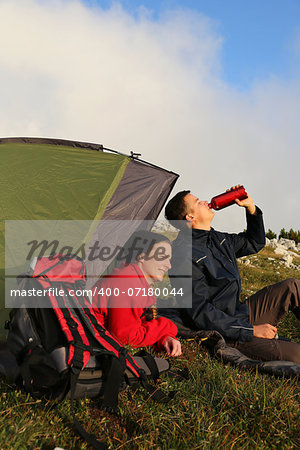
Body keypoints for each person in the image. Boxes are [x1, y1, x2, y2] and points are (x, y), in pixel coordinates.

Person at [163, 186, 300, 364]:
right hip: (227, 332)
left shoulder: (217, 238)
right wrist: (251, 330)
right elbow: (200, 312)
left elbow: (254, 242)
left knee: (293, 287)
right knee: (296, 355)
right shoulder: (182, 254)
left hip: (240, 313)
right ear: (190, 217)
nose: (205, 202)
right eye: (198, 202)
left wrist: (251, 209)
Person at [92, 231, 182, 357]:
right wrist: (167, 326)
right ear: (141, 256)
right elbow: (126, 338)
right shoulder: (128, 281)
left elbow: (138, 325)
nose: (168, 265)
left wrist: (164, 338)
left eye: (169, 259)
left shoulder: (134, 279)